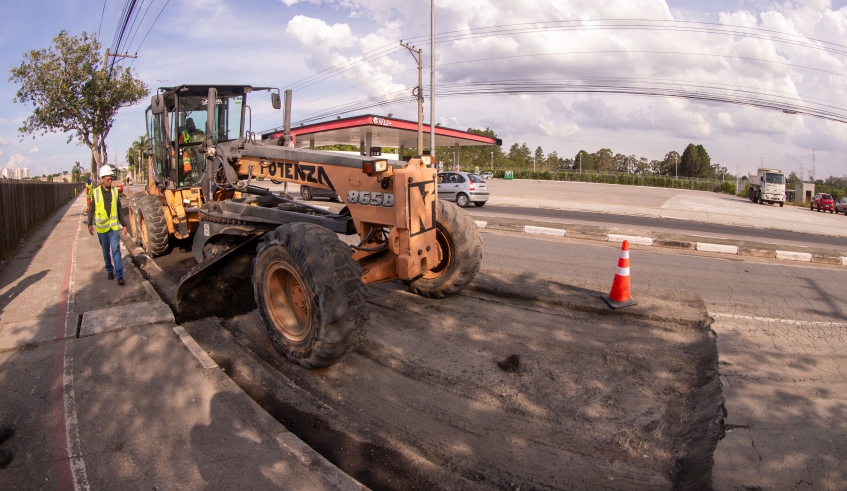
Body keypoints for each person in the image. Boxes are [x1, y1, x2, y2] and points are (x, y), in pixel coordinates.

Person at [87, 165, 128, 286]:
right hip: (102, 229)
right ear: (102, 179)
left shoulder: (115, 192)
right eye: (107, 179)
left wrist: (124, 224)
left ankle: (119, 276)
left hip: (114, 228)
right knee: (106, 251)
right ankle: (110, 270)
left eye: (111, 179)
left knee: (116, 250)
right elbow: (91, 209)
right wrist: (89, 223)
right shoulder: (96, 192)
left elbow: (119, 208)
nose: (110, 181)